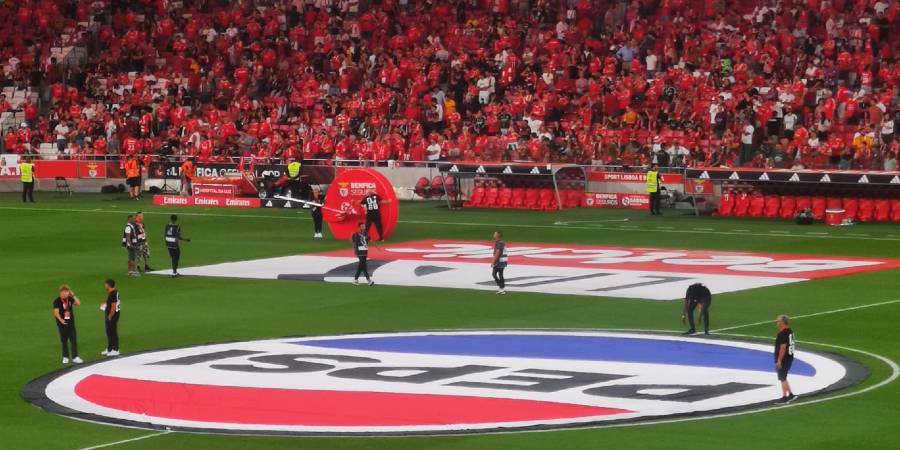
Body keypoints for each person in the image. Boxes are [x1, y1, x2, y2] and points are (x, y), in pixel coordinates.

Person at [53, 285, 82, 364]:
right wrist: (61, 320)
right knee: (64, 341)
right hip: (62, 324)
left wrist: (73, 295)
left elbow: (78, 303)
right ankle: (65, 357)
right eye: (65, 291)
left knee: (73, 340)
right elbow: (56, 312)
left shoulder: (69, 299)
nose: (66, 293)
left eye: (67, 291)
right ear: (61, 292)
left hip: (71, 323)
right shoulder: (57, 301)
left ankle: (75, 356)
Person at [775, 315, 796, 403]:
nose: (777, 323)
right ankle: (790, 395)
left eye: (778, 321)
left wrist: (779, 360)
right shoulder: (790, 332)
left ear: (782, 322)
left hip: (784, 359)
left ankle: (784, 397)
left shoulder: (782, 334)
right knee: (784, 377)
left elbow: (783, 348)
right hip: (789, 357)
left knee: (782, 378)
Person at [101, 279, 121, 356]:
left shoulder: (113, 294)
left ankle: (115, 349)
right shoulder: (112, 292)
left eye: (106, 284)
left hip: (112, 315)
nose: (105, 286)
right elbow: (108, 299)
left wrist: (110, 316)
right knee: (108, 331)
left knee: (113, 331)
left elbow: (113, 306)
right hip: (110, 314)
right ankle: (109, 348)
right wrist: (104, 302)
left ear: (108, 285)